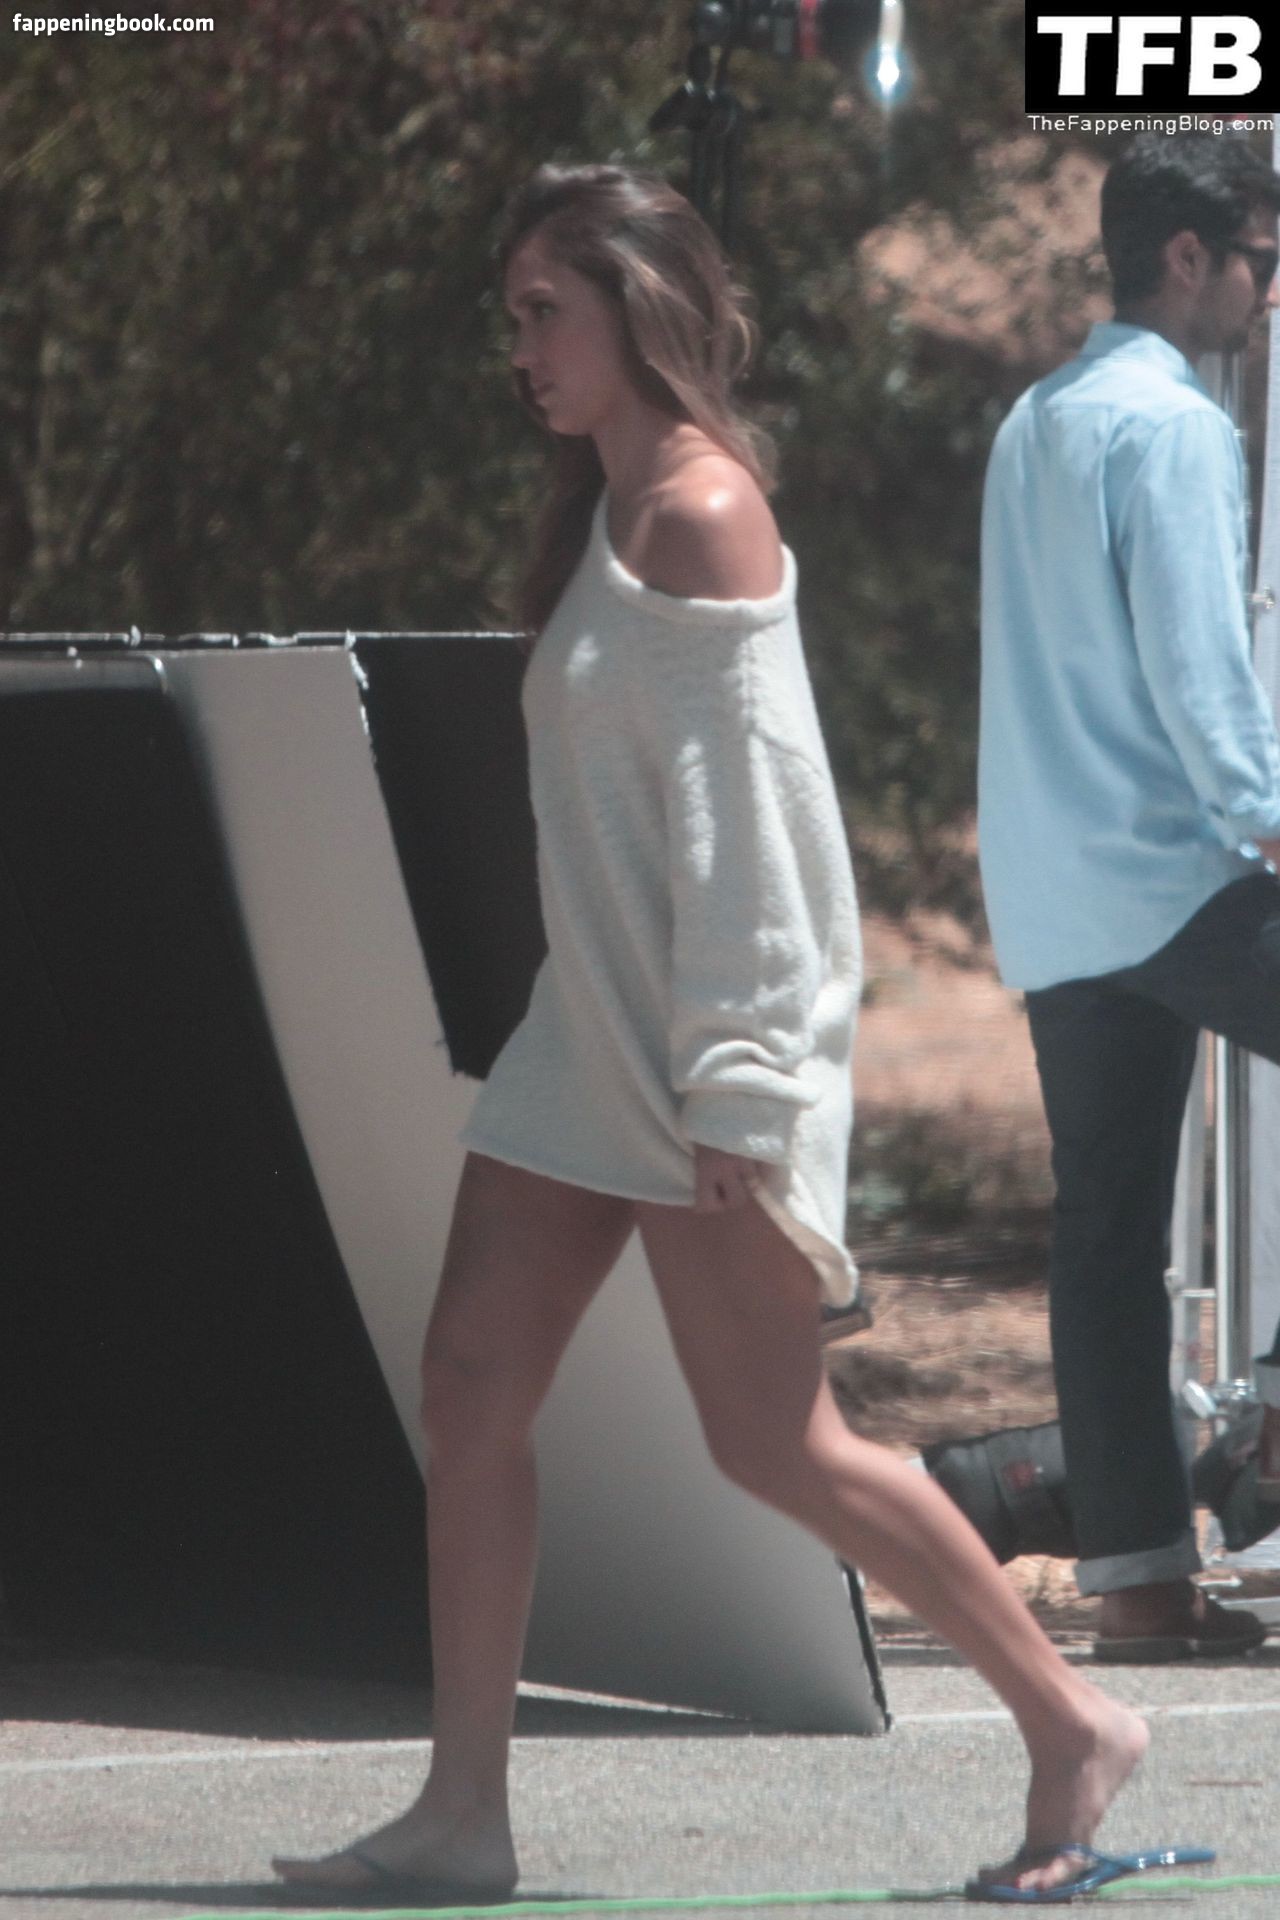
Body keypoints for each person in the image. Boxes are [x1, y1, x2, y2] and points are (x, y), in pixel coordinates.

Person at [274, 162, 1146, 1904]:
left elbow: (764, 837)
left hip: (704, 1061)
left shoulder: (703, 510)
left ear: (639, 306)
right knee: (468, 1389)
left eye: (548, 311)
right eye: (513, 316)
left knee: (773, 1443)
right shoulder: (604, 515)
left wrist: (741, 1086)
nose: (523, 348)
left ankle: (1074, 1722)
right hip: (583, 1045)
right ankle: (464, 1815)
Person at [979, 132, 1280, 1662]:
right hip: (1180, 878)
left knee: (1101, 1242)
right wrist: (1270, 816)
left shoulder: (1032, 421)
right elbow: (1198, 668)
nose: (1267, 295)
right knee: (1103, 1239)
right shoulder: (1175, 429)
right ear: (1189, 257)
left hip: (1058, 899)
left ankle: (1144, 1591)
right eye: (1263, 264)